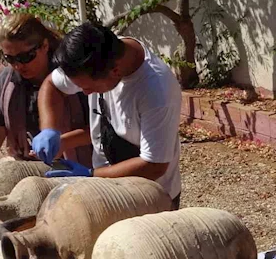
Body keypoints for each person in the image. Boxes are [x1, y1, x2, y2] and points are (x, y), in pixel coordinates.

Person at [31, 23, 182, 208]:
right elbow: (51, 85)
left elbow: (155, 165)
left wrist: (90, 174)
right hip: (104, 187)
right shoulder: (95, 55)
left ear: (115, 71)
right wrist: (49, 129)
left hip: (150, 198)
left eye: (89, 88)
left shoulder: (157, 91)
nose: (85, 93)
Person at [0, 14, 92, 182]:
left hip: (78, 168)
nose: (18, 65)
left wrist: (61, 142)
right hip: (31, 168)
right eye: (10, 58)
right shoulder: (6, 81)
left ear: (44, 45)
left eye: (25, 57)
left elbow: (98, 130)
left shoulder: (74, 76)